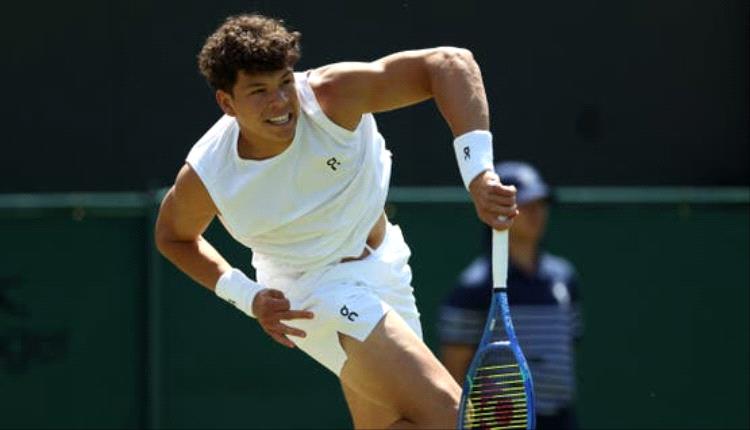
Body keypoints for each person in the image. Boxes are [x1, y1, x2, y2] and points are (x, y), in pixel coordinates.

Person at [154, 13, 519, 429]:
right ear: (227, 103)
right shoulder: (209, 173)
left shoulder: (332, 96)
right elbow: (173, 236)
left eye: (285, 82)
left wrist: (478, 173)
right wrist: (247, 296)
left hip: (387, 266)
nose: (281, 102)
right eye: (259, 91)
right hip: (310, 293)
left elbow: (449, 63)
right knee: (451, 418)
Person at [438, 161, 582, 429]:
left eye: (541, 205)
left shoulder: (564, 277)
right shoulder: (473, 288)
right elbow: (455, 370)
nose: (537, 214)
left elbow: (567, 348)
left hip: (563, 419)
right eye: (526, 206)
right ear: (500, 212)